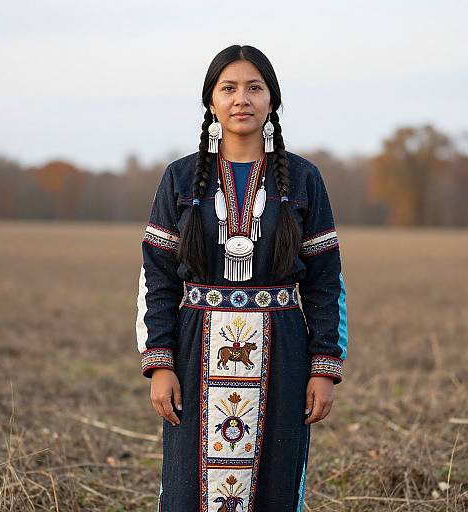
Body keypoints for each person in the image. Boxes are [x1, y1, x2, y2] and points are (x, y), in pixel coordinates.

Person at [135, 44, 348, 512]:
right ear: (211, 101)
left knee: (275, 481)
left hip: (283, 352)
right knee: (188, 487)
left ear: (272, 100)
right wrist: (160, 364)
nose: (241, 99)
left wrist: (324, 367)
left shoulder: (304, 179)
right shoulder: (180, 178)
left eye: (254, 88)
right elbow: (158, 278)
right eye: (228, 88)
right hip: (194, 354)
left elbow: (325, 281)